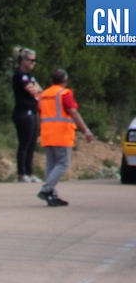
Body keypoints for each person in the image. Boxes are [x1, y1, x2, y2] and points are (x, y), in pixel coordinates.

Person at [37, 69, 95, 207]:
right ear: (65, 80)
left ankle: (52, 195)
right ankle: (46, 190)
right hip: (61, 134)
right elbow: (73, 112)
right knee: (63, 164)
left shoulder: (43, 95)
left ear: (52, 80)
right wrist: (86, 130)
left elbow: (40, 113)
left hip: (47, 134)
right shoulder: (64, 93)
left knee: (51, 165)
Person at [13, 48, 43, 183]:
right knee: (24, 143)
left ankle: (30, 172)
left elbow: (40, 89)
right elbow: (32, 91)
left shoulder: (30, 76)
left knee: (32, 143)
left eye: (34, 60)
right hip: (23, 112)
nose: (33, 63)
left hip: (33, 111)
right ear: (23, 60)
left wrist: (36, 89)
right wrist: (35, 89)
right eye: (31, 60)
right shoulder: (19, 75)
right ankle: (22, 173)